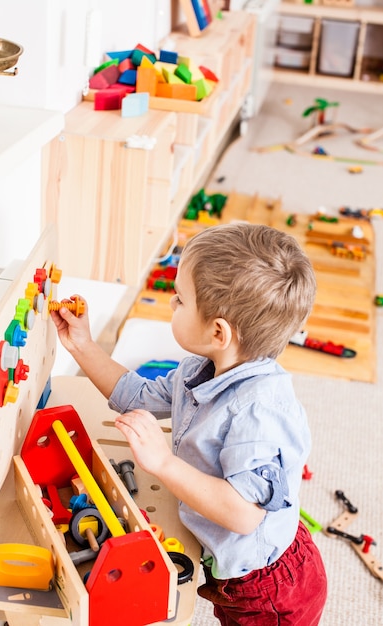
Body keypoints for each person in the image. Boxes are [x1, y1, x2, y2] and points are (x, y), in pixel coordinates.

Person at [51, 222, 327, 625]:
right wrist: (82, 345)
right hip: (234, 565)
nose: (170, 305)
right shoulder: (203, 369)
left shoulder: (259, 411)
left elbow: (243, 515)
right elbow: (136, 395)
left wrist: (164, 463)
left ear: (218, 331)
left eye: (179, 300)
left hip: (265, 587)